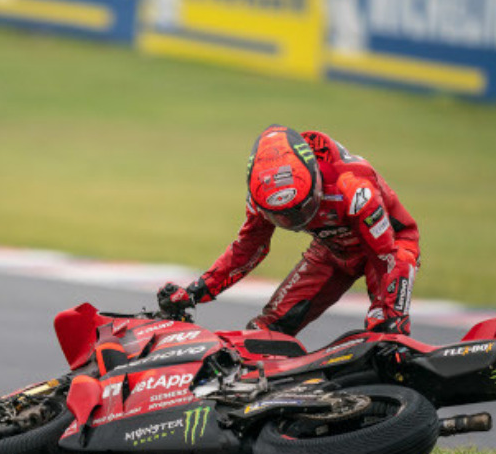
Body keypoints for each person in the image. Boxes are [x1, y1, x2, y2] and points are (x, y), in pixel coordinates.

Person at [158, 125, 420, 336]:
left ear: (315, 178)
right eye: (279, 217)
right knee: (264, 332)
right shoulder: (261, 201)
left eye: (300, 210)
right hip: (332, 250)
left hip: (389, 246)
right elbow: (247, 250)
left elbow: (385, 257)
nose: (294, 221)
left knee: (385, 332)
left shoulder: (353, 189)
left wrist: (389, 317)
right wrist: (196, 291)